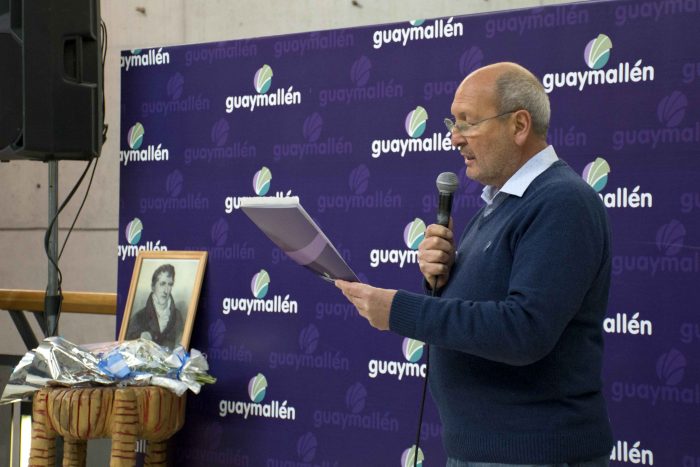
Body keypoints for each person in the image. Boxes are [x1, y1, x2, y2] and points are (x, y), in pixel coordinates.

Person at [336, 62, 613, 466]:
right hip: (484, 452)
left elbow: (524, 331)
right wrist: (443, 278)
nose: (454, 138)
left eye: (467, 123)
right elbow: (484, 308)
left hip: (534, 455)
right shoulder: (499, 205)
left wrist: (400, 310)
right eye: (453, 122)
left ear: (519, 126)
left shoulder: (561, 202)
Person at [126, 263, 184, 349]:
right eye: (162, 284)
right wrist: (140, 336)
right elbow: (126, 345)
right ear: (153, 286)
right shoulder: (139, 317)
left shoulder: (178, 316)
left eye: (170, 284)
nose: (166, 290)